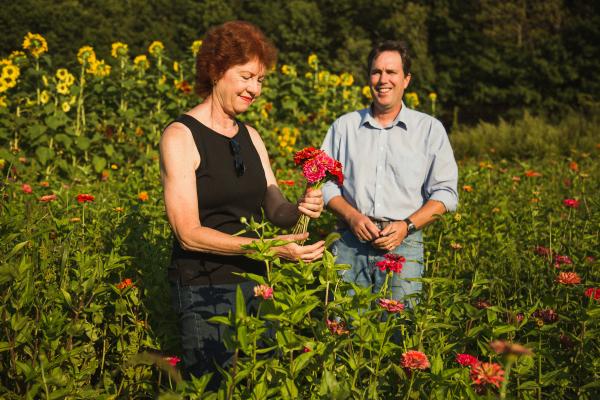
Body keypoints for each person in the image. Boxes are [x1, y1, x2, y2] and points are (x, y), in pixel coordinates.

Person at [159, 21, 325, 386]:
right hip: (205, 288)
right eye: (247, 76)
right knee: (213, 386)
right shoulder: (181, 136)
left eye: (261, 80)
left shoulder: (251, 136)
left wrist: (301, 207)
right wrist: (268, 250)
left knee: (262, 385)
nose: (255, 89)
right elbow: (188, 234)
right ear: (217, 70)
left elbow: (276, 208)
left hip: (255, 283)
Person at [321, 40, 458, 305]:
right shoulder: (344, 127)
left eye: (391, 72)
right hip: (351, 242)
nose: (383, 79)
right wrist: (352, 217)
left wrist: (406, 226)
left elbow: (446, 193)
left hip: (404, 245)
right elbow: (324, 185)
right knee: (345, 329)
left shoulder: (429, 130)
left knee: (399, 332)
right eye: (376, 72)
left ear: (406, 79)